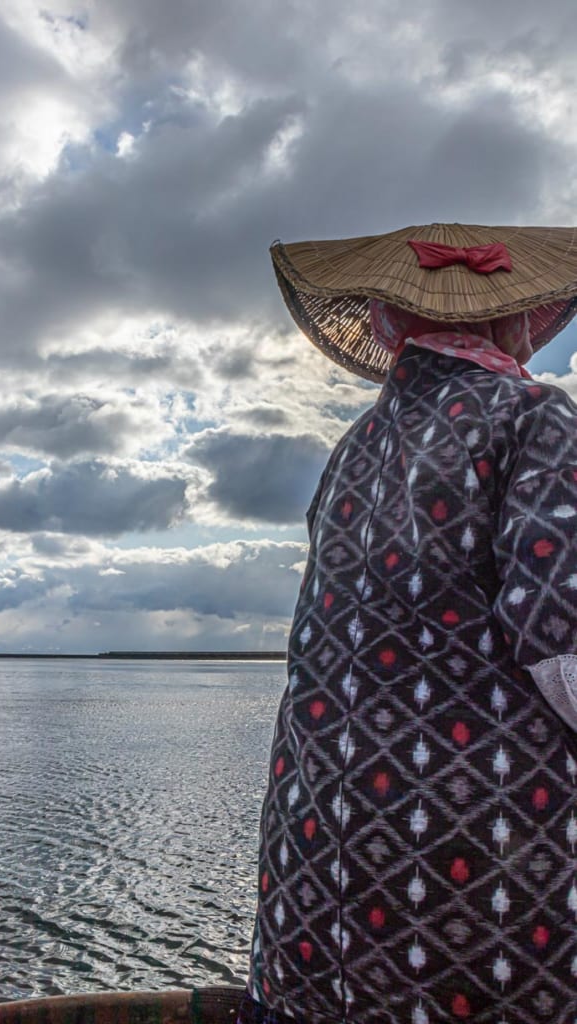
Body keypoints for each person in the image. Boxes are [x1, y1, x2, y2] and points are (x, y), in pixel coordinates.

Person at [239, 223, 577, 1024]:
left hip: (310, 891)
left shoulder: (353, 446)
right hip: (480, 883)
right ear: (516, 317)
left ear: (391, 325)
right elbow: (564, 655)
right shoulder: (534, 417)